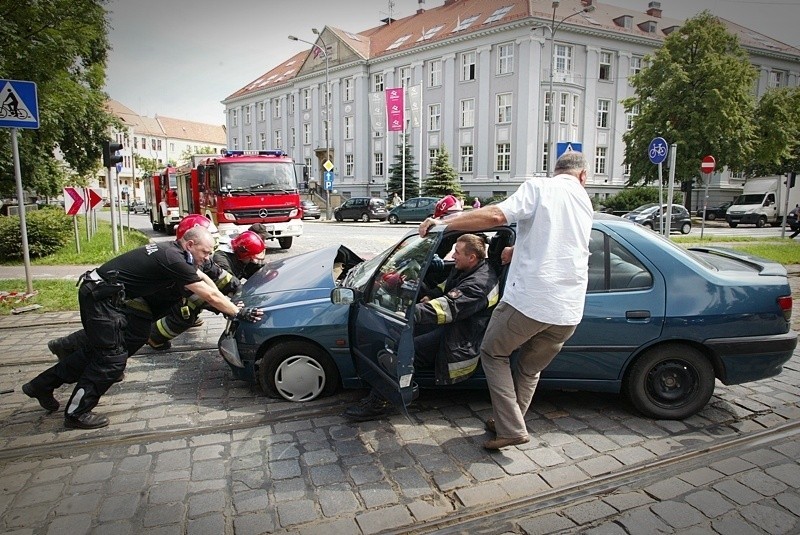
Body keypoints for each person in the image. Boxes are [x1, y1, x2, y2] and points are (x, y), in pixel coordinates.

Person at [419, 151, 593, 450]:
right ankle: (508, 423)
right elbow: (561, 243)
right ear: (583, 176)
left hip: (532, 301)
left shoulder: (541, 187)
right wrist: (518, 249)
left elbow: (498, 216)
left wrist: (444, 225)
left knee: (492, 352)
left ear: (555, 171)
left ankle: (511, 428)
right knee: (529, 369)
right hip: (569, 311)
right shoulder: (584, 200)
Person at [22, 226, 263, 429]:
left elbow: (204, 279)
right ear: (190, 244)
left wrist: (231, 301)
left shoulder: (177, 253)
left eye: (211, 252)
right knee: (110, 360)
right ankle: (76, 414)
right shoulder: (173, 258)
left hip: (108, 297)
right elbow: (207, 292)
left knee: (126, 342)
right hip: (101, 299)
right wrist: (238, 311)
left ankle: (40, 386)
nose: (208, 257)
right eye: (205, 252)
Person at [344, 233, 499, 421]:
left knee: (406, 353)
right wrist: (430, 294)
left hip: (460, 337)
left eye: (457, 252)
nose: (453, 256)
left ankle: (379, 403)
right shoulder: (468, 269)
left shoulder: (479, 283)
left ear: (471, 257)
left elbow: (448, 307)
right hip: (455, 325)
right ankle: (383, 385)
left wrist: (409, 313)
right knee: (398, 336)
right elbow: (447, 288)